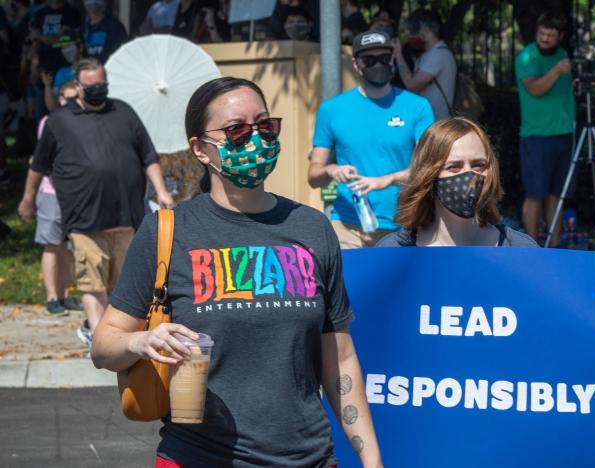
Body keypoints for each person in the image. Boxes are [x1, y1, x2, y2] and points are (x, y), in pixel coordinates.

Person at [91, 76, 383, 468]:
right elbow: (103, 346)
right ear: (200, 149)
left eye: (265, 126)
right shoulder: (168, 231)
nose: (256, 139)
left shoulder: (312, 228)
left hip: (308, 458)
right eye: (237, 130)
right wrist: (142, 341)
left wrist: (372, 459)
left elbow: (341, 361)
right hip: (197, 457)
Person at [376, 117, 595, 328]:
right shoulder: (392, 254)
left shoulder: (520, 251)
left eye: (479, 165)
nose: (469, 176)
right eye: (453, 167)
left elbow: (552, 324)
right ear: (428, 176)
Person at [17, 58, 174, 348]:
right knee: (92, 283)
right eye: (91, 87)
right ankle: (102, 341)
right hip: (84, 218)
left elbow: (147, 155)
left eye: (102, 85)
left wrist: (161, 190)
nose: (98, 91)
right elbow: (38, 166)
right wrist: (28, 200)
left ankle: (105, 331)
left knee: (122, 285)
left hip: (126, 217)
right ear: (78, 86)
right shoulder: (59, 121)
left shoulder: (123, 112)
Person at [308, 30, 434, 249]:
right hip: (347, 224)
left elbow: (432, 167)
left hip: (404, 224)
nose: (378, 65)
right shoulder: (332, 109)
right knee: (350, 283)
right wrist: (331, 170)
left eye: (384, 58)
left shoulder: (417, 107)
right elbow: (313, 175)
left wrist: (387, 179)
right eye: (370, 60)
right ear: (356, 64)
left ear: (393, 58)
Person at [514, 11, 575, 244]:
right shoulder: (526, 57)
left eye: (551, 35)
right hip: (536, 136)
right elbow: (535, 89)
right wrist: (557, 71)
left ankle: (554, 246)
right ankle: (532, 246)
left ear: (560, 37)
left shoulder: (562, 54)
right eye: (542, 33)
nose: (545, 39)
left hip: (564, 134)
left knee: (556, 196)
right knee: (535, 195)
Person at [35, 79, 82, 316]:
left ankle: (65, 294)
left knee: (69, 247)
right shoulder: (49, 122)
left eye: (75, 98)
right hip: (52, 192)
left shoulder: (84, 122)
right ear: (59, 99)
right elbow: (50, 160)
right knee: (52, 245)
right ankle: (52, 297)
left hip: (75, 194)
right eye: (66, 98)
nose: (69, 102)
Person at [393, 9, 457, 119]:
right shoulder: (427, 54)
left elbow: (412, 85)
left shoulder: (439, 54)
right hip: (428, 122)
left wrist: (398, 54)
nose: (409, 38)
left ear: (427, 30)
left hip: (437, 124)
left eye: (412, 33)